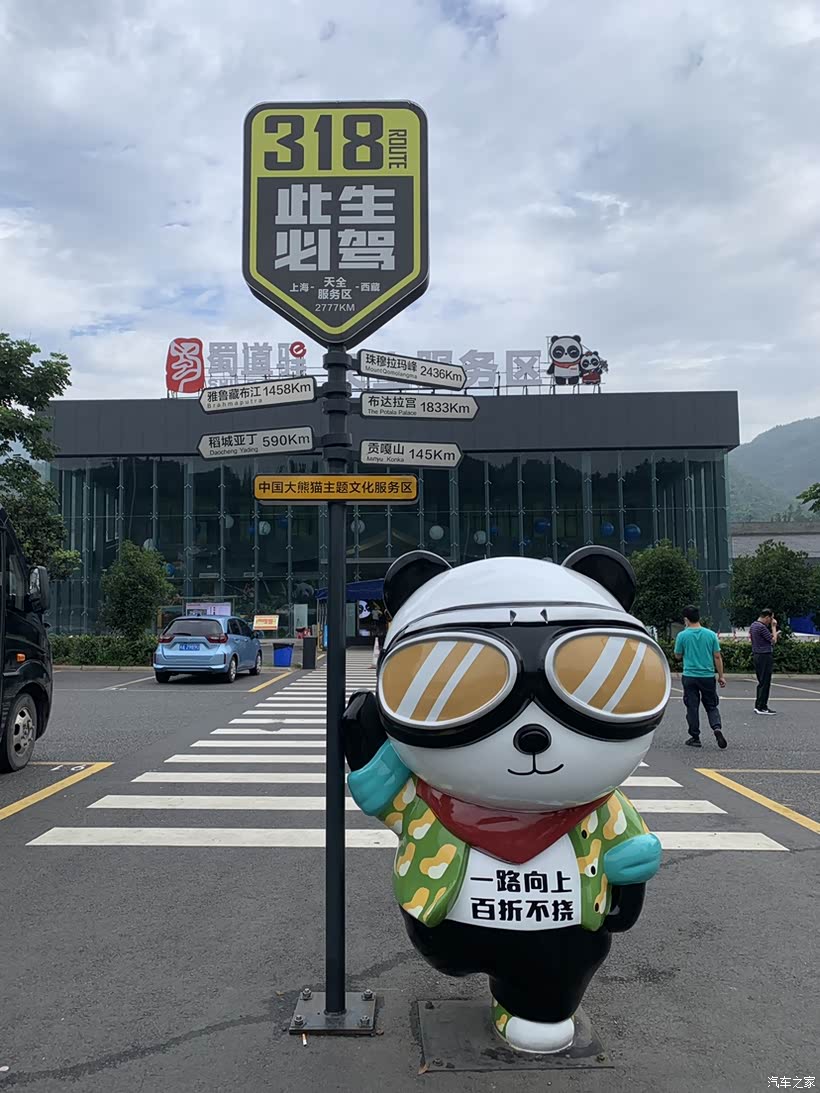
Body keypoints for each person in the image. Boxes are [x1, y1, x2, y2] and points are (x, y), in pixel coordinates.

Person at [673, 605, 727, 749]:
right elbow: (717, 656)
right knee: (711, 705)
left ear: (686, 619)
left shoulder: (682, 635)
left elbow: (677, 655)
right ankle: (716, 727)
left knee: (692, 706)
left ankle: (695, 737)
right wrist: (721, 676)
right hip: (707, 675)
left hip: (690, 675)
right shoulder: (710, 635)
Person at [749, 608, 778, 715]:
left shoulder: (753, 625)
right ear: (767, 617)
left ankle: (759, 705)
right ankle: (762, 707)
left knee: (761, 681)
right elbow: (773, 640)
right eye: (771, 619)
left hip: (757, 654)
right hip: (764, 655)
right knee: (765, 682)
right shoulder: (762, 627)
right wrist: (774, 628)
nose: (771, 621)